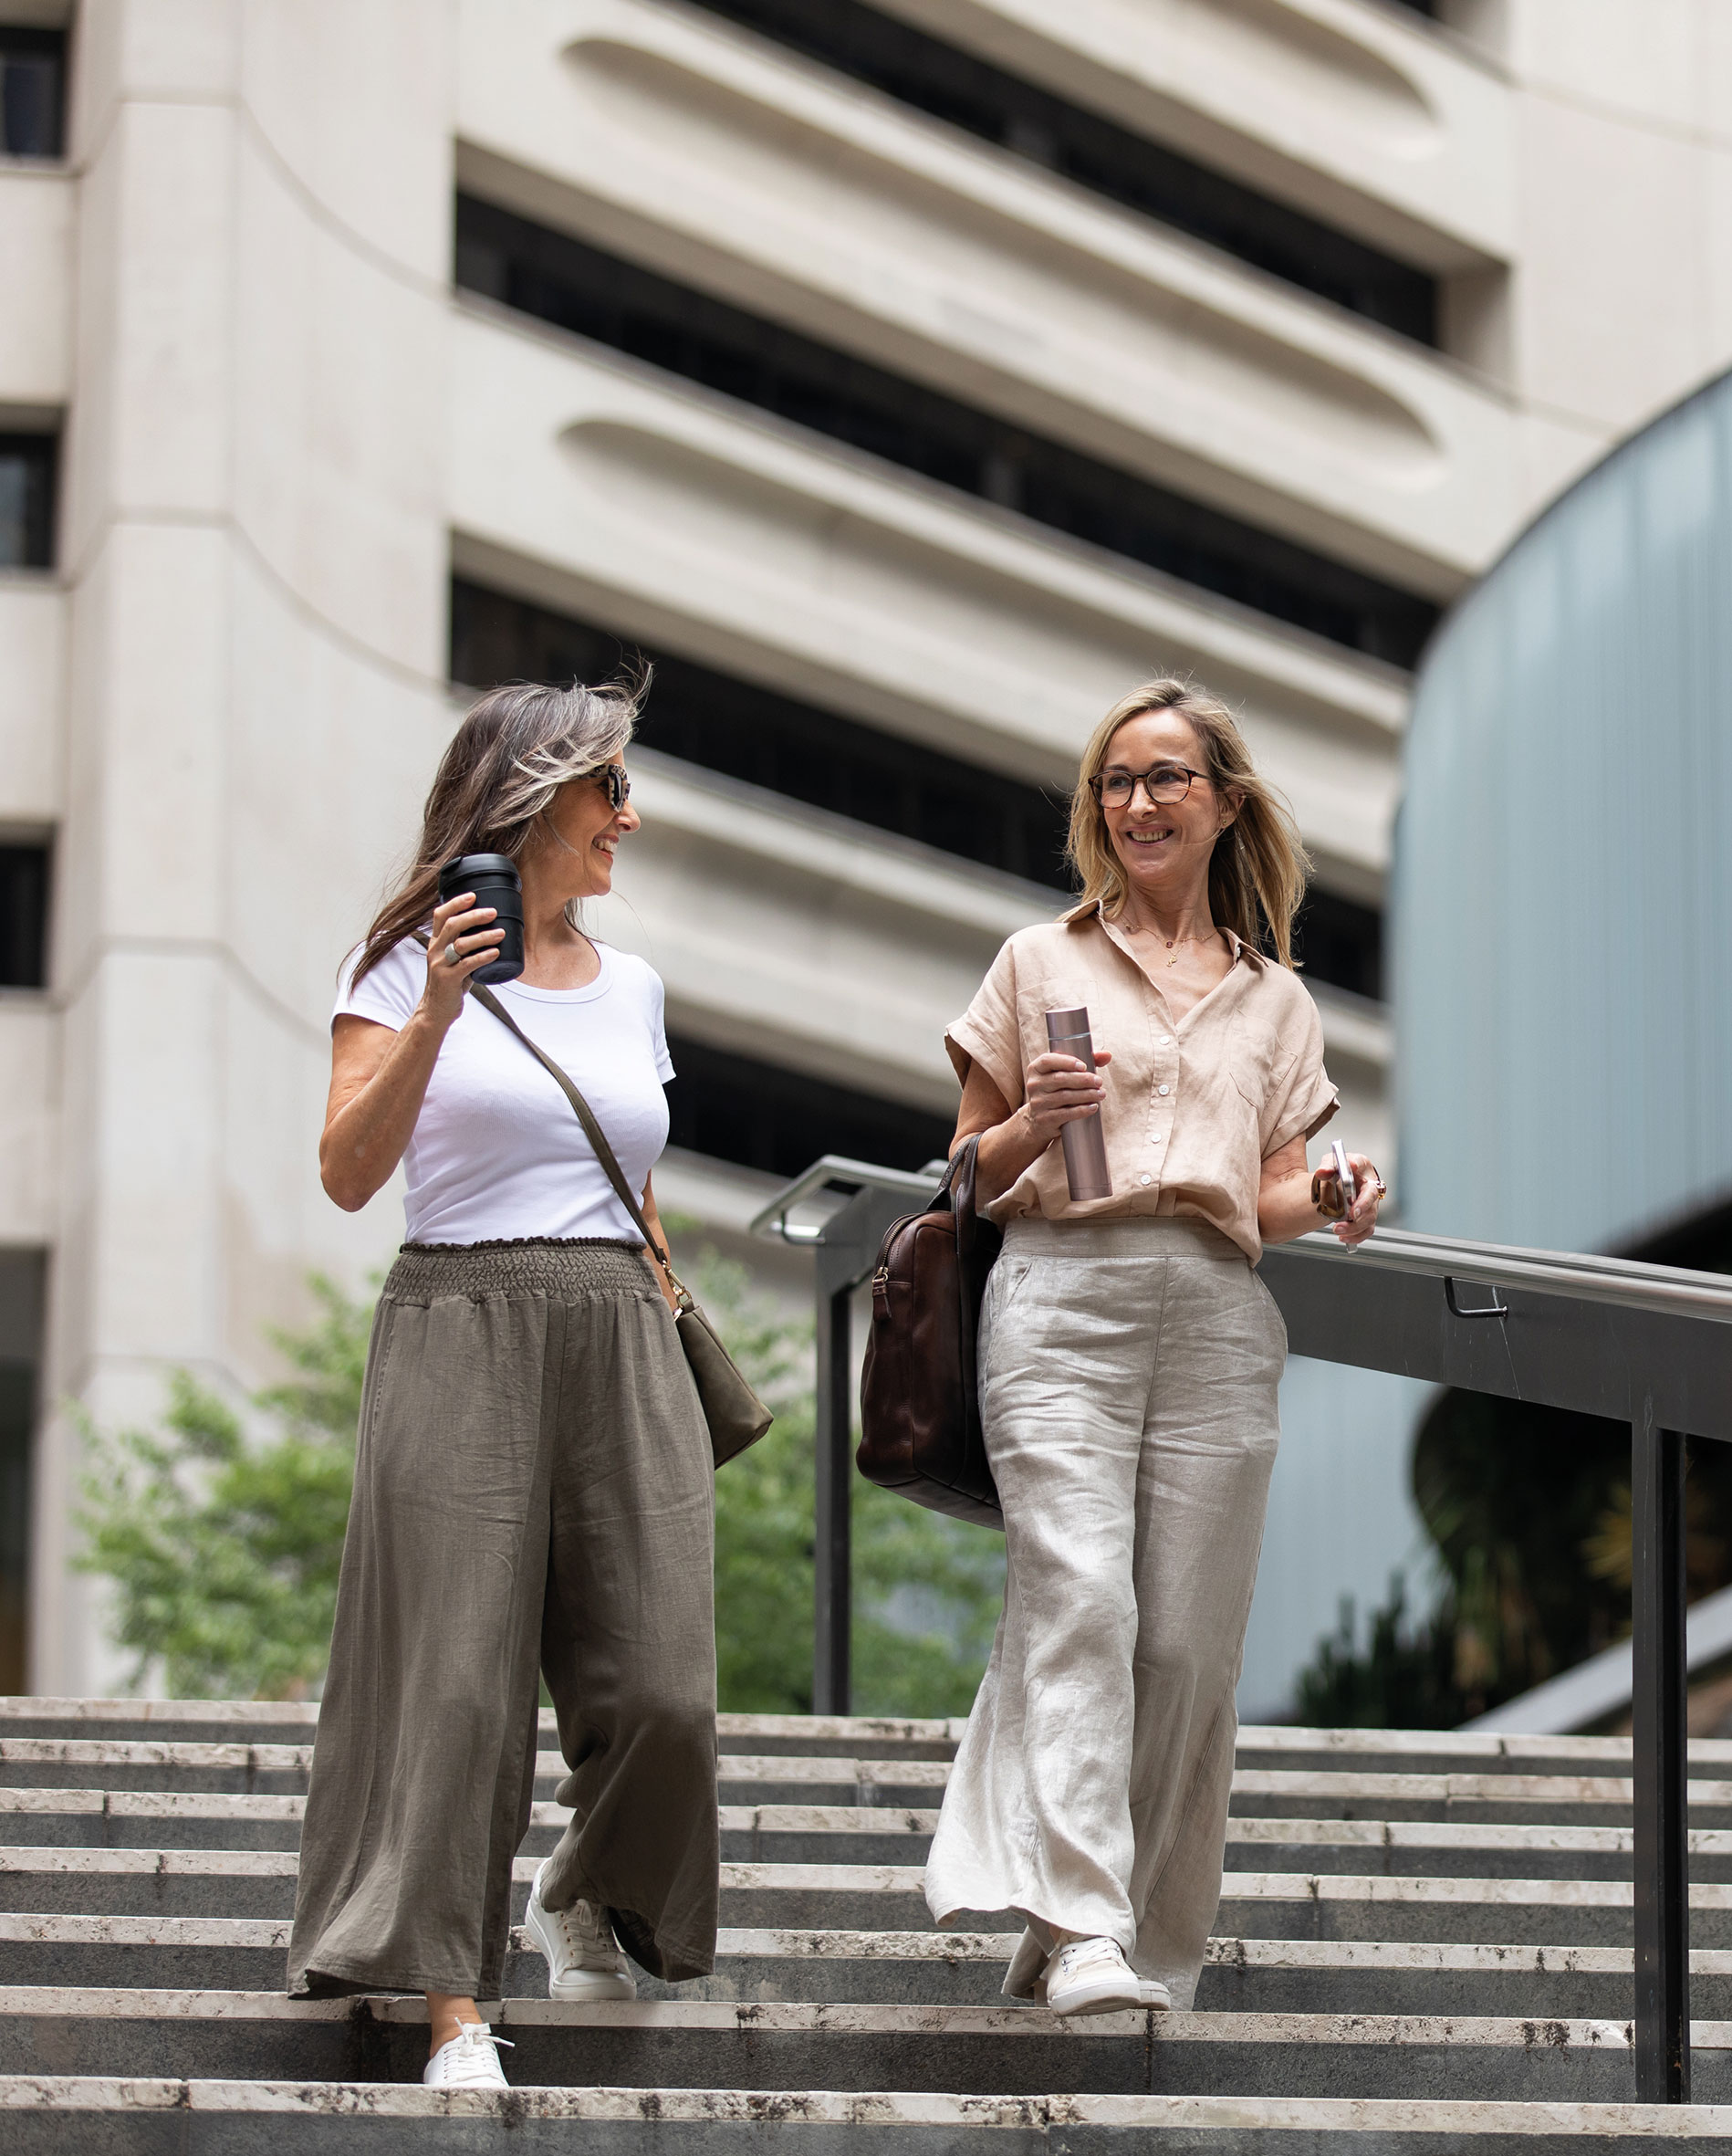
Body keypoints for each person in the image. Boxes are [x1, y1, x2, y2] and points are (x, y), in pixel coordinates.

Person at [923, 677, 1383, 2019]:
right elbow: (966, 1166)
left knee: (1184, 1645)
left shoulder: (1274, 1000)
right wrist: (1030, 1121)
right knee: (1083, 1601)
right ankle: (1078, 1927)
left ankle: (1103, 1921)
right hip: (1062, 1298)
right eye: (1114, 782)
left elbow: (1277, 1188)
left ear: (1222, 801)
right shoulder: (1038, 962)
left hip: (1219, 1316)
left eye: (1163, 777)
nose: (1135, 802)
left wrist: (1341, 1197)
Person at [287, 681, 718, 2090]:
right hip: (458, 1317)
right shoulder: (404, 961)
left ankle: (587, 1886)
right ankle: (454, 2006)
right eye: (609, 791)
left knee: (663, 1684)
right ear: (532, 797)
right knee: (459, 1688)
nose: (627, 818)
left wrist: (661, 1305)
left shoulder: (636, 985)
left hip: (615, 1323)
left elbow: (634, 1182)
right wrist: (439, 1010)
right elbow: (350, 1170)